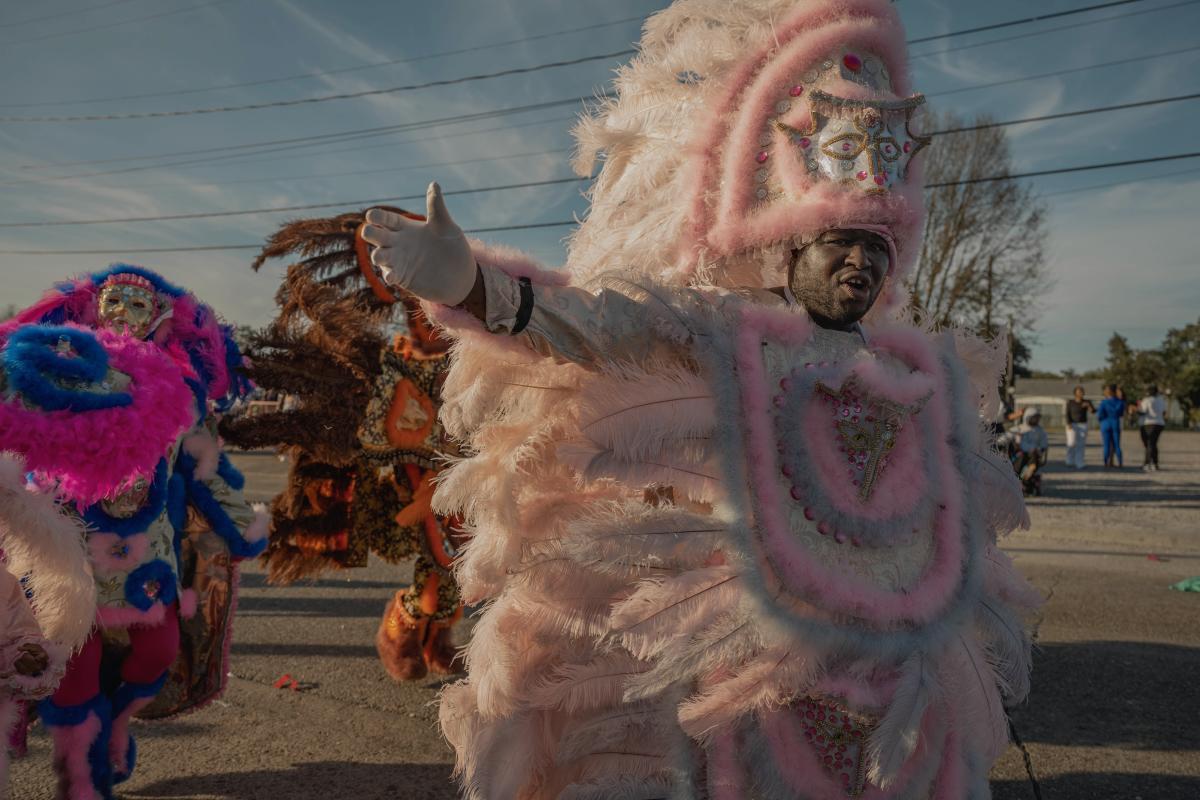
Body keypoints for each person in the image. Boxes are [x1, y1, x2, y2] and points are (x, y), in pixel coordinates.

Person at [364, 1, 1038, 796]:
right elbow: (609, 326)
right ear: (788, 252)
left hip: (887, 669)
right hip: (731, 655)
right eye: (841, 245)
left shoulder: (913, 374)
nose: (862, 266)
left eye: (877, 253)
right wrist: (477, 286)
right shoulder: (732, 337)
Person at [1, 267, 265, 799]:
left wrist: (242, 528)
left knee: (157, 655)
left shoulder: (182, 395)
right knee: (77, 673)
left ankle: (117, 724)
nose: (122, 312)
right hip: (68, 557)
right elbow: (18, 442)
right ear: (92, 309)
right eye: (112, 300)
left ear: (162, 319)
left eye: (138, 304)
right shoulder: (58, 373)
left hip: (146, 560)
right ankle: (85, 780)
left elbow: (206, 468)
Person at [221, 208, 466, 681]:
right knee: (445, 552)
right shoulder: (400, 360)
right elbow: (388, 428)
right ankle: (404, 624)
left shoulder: (474, 344)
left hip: (464, 468)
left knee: (462, 556)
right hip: (414, 477)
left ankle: (435, 634)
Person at [1012, 408, 1049, 495]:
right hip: (1021, 454)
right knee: (1022, 457)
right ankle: (1021, 478)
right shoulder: (1020, 429)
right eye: (1034, 418)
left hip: (1034, 455)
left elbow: (1044, 444)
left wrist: (1039, 449)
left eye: (1037, 418)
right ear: (1027, 418)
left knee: (1034, 455)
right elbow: (1015, 441)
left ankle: (1028, 475)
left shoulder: (1041, 431)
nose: (1036, 420)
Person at [1064, 385, 1095, 469]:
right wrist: (1068, 423)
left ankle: (1079, 462)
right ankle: (1069, 460)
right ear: (1075, 393)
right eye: (1079, 391)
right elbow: (1067, 414)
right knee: (1071, 443)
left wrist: (1088, 406)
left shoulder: (1087, 402)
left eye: (1082, 391)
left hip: (1083, 424)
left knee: (1081, 444)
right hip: (1072, 424)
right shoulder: (1070, 402)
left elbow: (1093, 411)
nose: (1081, 393)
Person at [1097, 383, 1127, 468]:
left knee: (1106, 445)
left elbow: (1099, 415)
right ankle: (1120, 462)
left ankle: (1106, 462)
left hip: (1105, 423)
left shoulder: (1104, 402)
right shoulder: (1120, 402)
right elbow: (1121, 414)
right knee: (1117, 444)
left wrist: (1102, 420)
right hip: (1115, 422)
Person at [1138, 385, 1167, 471]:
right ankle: (1155, 463)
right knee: (1153, 444)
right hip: (1159, 423)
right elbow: (1164, 412)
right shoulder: (1161, 400)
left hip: (1148, 424)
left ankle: (1147, 463)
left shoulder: (1147, 400)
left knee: (1149, 444)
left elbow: (1142, 412)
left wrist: (1135, 409)